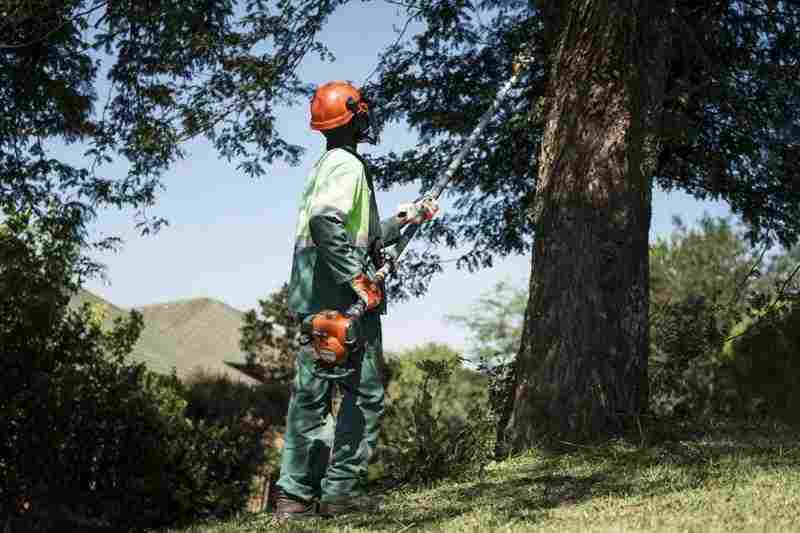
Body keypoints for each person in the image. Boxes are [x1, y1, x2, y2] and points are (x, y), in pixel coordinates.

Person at [275, 80, 439, 519]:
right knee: (362, 392)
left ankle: (293, 497)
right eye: (363, 110)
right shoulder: (347, 165)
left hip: (315, 290)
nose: (368, 117)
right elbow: (327, 224)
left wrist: (408, 216)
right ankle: (340, 492)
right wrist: (359, 282)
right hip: (342, 295)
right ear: (354, 116)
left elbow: (356, 236)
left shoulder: (327, 166)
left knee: (311, 392)